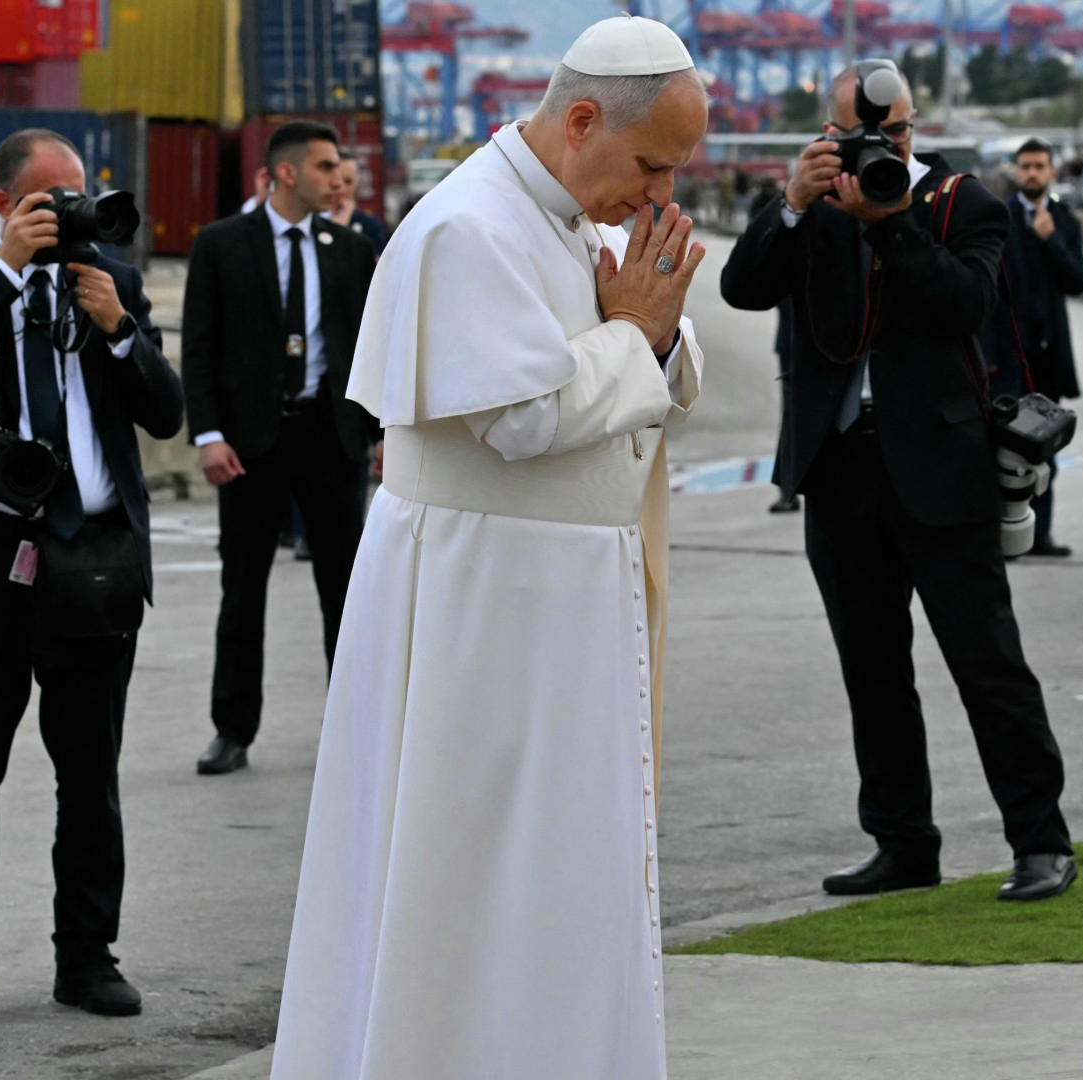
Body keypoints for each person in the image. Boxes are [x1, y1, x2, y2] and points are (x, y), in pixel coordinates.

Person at [267, 15, 706, 1079]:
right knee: (467, 881)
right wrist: (637, 334)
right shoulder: (470, 225)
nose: (659, 194)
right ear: (582, 120)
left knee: (560, 876)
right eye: (652, 165)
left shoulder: (565, 216)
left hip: (555, 606)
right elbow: (524, 417)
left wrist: (644, 332)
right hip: (485, 608)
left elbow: (634, 357)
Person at [720, 61, 1077, 903]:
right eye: (862, 136)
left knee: (988, 664)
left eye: (897, 132)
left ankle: (1041, 842)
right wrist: (793, 204)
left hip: (942, 468)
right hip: (840, 467)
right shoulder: (813, 204)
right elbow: (742, 289)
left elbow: (967, 304)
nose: (883, 147)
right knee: (872, 670)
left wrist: (891, 223)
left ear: (915, 128)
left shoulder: (963, 203)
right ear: (828, 134)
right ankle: (903, 843)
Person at [0, 128, 184, 1023]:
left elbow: (166, 414)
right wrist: (5, 269)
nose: (69, 212)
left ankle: (87, 958)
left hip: (93, 565)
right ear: (3, 204)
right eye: (49, 199)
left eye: (77, 193)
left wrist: (119, 328)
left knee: (90, 781)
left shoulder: (112, 282)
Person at [181, 120, 379, 776]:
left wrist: (381, 434)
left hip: (330, 439)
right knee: (242, 592)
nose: (338, 178)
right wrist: (208, 434)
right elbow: (199, 346)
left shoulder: (350, 249)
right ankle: (232, 729)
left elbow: (371, 348)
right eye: (325, 167)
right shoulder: (220, 245)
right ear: (286, 173)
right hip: (250, 444)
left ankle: (354, 730)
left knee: (345, 592)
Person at [985, 137, 1083, 558]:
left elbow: (1077, 282)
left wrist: (1051, 240)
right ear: (1016, 171)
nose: (1032, 173)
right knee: (1001, 452)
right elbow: (985, 292)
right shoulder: (996, 218)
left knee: (1044, 448)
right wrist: (987, 355)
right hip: (1006, 357)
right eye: (1025, 166)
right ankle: (998, 537)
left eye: (1039, 166)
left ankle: (1038, 534)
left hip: (1048, 357)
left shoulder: (1063, 221)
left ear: (1050, 171)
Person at [746, 174, 800, 513]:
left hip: (798, 339)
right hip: (795, 340)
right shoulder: (784, 226)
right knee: (793, 415)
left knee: (793, 415)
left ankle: (789, 490)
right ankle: (789, 488)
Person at [324, 157, 388, 256]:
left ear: (356, 184)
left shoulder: (369, 225)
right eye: (336, 180)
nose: (341, 188)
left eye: (348, 181)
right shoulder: (309, 220)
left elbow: (377, 263)